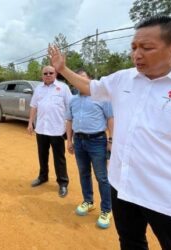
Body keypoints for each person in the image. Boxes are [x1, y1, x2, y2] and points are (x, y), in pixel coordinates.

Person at [48, 16, 171, 249]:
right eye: (134, 47)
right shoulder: (123, 79)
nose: (137, 54)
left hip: (169, 200)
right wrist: (63, 69)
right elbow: (90, 87)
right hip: (122, 188)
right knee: (130, 242)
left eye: (146, 48)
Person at [66, 69, 114, 229]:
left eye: (83, 79)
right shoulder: (73, 100)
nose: (79, 82)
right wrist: (69, 141)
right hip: (79, 141)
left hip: (97, 141)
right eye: (76, 79)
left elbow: (110, 118)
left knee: (102, 177)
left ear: (91, 81)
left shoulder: (102, 98)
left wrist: (111, 140)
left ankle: (106, 209)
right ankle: (88, 201)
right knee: (84, 173)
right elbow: (69, 120)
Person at [28, 66, 72, 197]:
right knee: (42, 155)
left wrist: (70, 127)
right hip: (41, 128)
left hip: (57, 129)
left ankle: (63, 183)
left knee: (59, 158)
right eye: (45, 73)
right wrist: (30, 122)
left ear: (56, 74)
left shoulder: (63, 88)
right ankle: (43, 177)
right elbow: (33, 106)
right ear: (42, 75)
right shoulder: (38, 89)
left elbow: (70, 107)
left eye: (51, 73)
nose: (48, 75)